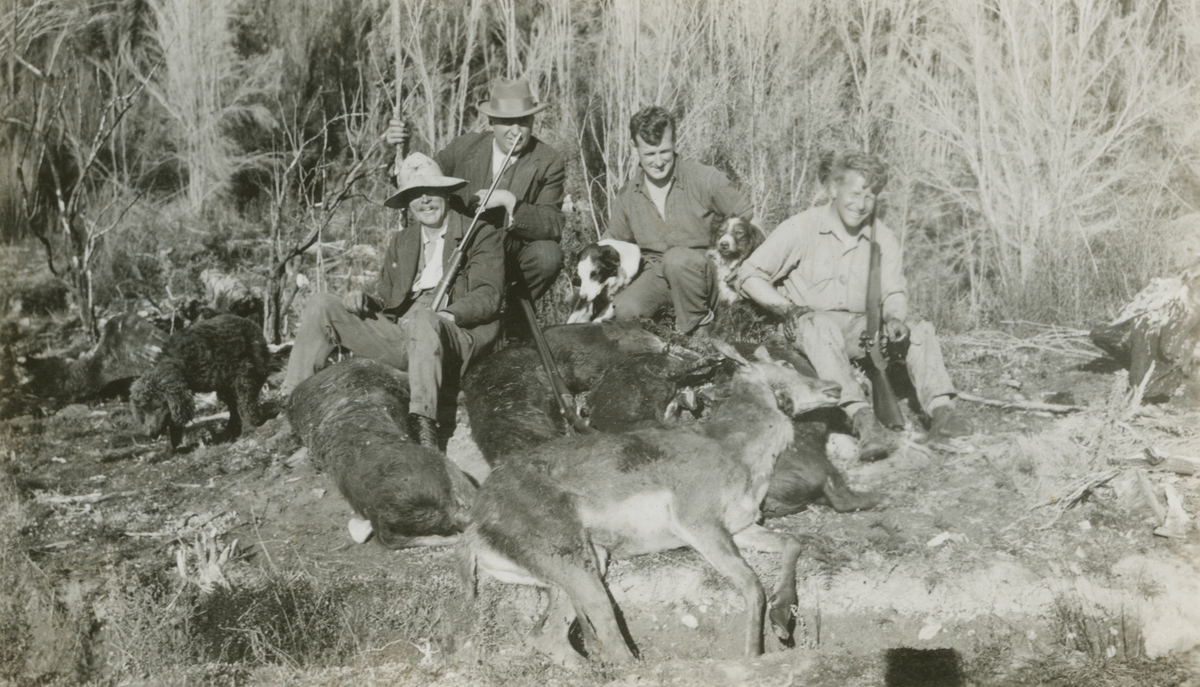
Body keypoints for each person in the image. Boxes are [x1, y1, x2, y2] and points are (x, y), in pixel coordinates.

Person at [738, 151, 972, 460]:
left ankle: (942, 412)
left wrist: (894, 317)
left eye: (870, 196)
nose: (860, 204)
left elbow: (894, 291)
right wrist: (785, 307)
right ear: (834, 189)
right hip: (806, 326)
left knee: (920, 328)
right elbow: (749, 275)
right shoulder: (801, 228)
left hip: (861, 329)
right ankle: (863, 420)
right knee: (819, 325)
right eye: (855, 193)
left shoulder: (883, 239)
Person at [280, 153, 505, 450]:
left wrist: (448, 316)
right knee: (322, 303)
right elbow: (385, 296)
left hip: (453, 338)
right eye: (414, 194)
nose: (424, 200)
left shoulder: (480, 233)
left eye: (431, 191)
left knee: (425, 320)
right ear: (408, 203)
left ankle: (425, 429)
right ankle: (292, 405)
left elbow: (489, 295)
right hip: (405, 335)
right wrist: (365, 299)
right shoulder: (403, 241)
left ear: (446, 193)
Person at [386, 78, 566, 312]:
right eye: (507, 122)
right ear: (491, 120)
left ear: (533, 120)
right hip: (460, 250)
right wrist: (402, 151)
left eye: (523, 121)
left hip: (510, 255)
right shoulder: (464, 147)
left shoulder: (548, 160)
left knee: (548, 255)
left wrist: (509, 202)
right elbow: (425, 180)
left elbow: (552, 224)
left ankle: (513, 318)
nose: (516, 131)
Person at [602, 106, 755, 335]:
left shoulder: (705, 178)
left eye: (664, 151)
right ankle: (661, 342)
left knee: (678, 259)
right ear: (635, 149)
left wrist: (752, 274)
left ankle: (700, 333)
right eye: (649, 154)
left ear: (674, 143)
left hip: (707, 272)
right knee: (623, 310)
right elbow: (612, 243)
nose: (658, 162)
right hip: (659, 273)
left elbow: (752, 220)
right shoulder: (628, 195)